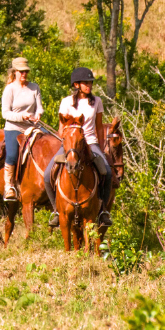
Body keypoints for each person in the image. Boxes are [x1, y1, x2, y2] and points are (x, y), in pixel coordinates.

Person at [44, 67, 112, 228]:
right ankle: (56, 210)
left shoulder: (97, 102)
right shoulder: (66, 102)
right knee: (47, 175)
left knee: (107, 172)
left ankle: (103, 211)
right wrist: (69, 137)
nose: (89, 85)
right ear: (76, 84)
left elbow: (99, 127)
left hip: (90, 141)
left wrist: (101, 148)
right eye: (85, 82)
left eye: (90, 82)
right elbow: (61, 130)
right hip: (70, 145)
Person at [1, 57, 43, 202]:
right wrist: (22, 116)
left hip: (33, 127)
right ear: (15, 72)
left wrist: (38, 114)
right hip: (14, 127)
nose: (24, 74)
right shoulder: (10, 89)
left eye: (26, 71)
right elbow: (5, 113)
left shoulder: (34, 87)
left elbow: (39, 107)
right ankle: (9, 186)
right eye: (21, 72)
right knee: (12, 155)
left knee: (53, 143)